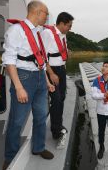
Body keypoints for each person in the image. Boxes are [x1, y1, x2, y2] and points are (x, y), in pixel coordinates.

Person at [1, 0, 55, 170]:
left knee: (40, 116)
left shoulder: (38, 32)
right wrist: (18, 87)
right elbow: (9, 61)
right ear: (37, 12)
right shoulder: (16, 31)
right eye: (45, 13)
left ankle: (38, 148)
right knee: (17, 121)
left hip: (39, 76)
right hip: (24, 78)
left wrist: (46, 81)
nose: (46, 17)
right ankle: (10, 158)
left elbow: (40, 59)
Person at [42, 12, 74, 149]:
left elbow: (59, 51)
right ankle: (56, 131)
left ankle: (57, 125)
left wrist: (67, 52)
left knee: (62, 98)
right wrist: (51, 73)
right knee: (56, 100)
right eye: (69, 25)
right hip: (52, 71)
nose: (70, 28)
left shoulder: (63, 35)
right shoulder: (47, 34)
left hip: (61, 69)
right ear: (61, 23)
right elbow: (42, 55)